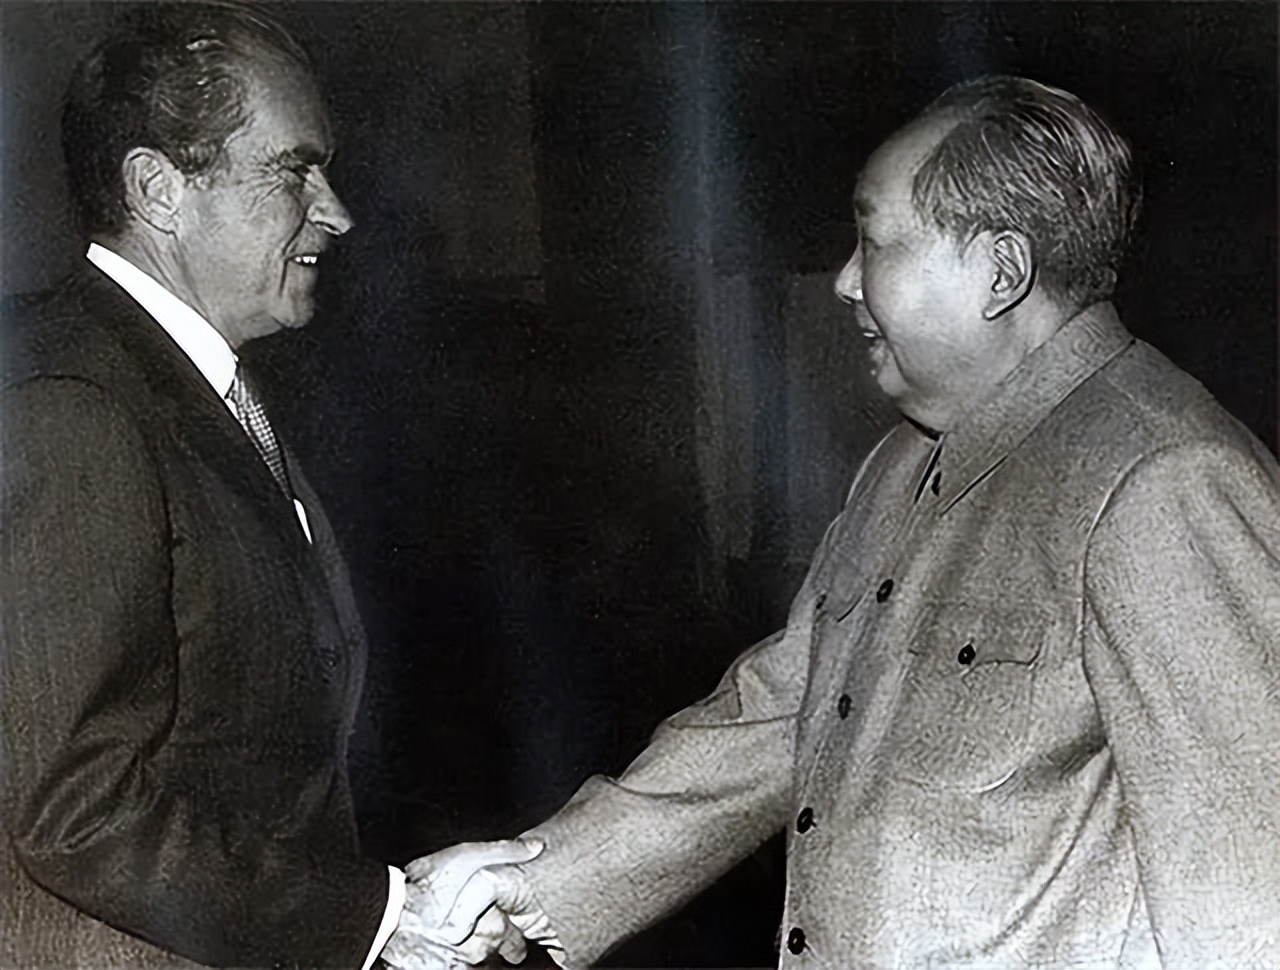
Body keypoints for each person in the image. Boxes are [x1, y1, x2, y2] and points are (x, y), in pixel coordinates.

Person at [390, 76, 1280, 969]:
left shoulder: (1168, 480)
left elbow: (1249, 910)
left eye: (875, 242)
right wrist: (541, 875)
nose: (847, 281)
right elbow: (784, 712)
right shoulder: (902, 464)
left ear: (1002, 272)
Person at [0, 4, 429, 967]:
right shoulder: (73, 404)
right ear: (159, 189)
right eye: (293, 171)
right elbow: (71, 808)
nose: (336, 212)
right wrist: (374, 919)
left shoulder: (194, 386)